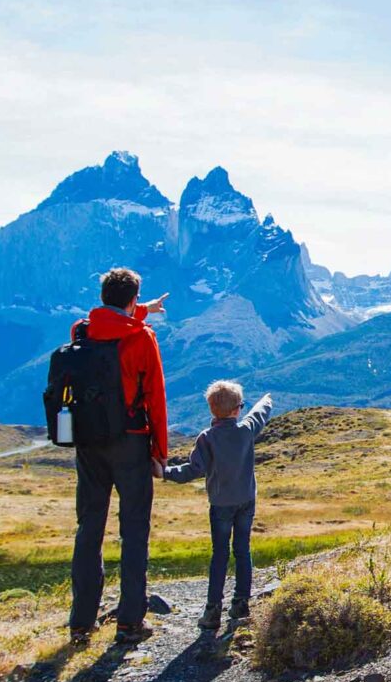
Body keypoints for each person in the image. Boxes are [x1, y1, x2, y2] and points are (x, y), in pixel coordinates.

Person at [68, 268, 170, 645]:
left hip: (88, 442)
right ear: (132, 298)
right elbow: (155, 398)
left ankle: (81, 621)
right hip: (130, 441)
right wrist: (160, 451)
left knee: (89, 528)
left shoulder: (80, 331)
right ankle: (129, 621)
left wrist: (141, 309)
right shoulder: (142, 338)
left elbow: (107, 325)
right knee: (134, 530)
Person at [162, 380, 274, 631]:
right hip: (246, 501)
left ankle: (212, 611)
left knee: (220, 555)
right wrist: (266, 400)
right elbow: (260, 414)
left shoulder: (207, 438)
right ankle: (241, 604)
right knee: (242, 551)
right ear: (237, 410)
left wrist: (164, 472)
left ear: (212, 409)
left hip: (220, 505)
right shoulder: (246, 430)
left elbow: (192, 470)